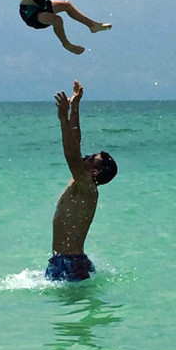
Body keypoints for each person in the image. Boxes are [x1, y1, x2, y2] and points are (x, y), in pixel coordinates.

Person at [46, 80, 118, 282]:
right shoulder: (81, 182)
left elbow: (71, 155)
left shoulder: (87, 187)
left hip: (68, 263)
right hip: (69, 261)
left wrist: (62, 119)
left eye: (91, 158)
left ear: (94, 172)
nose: (86, 155)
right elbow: (75, 142)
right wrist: (75, 104)